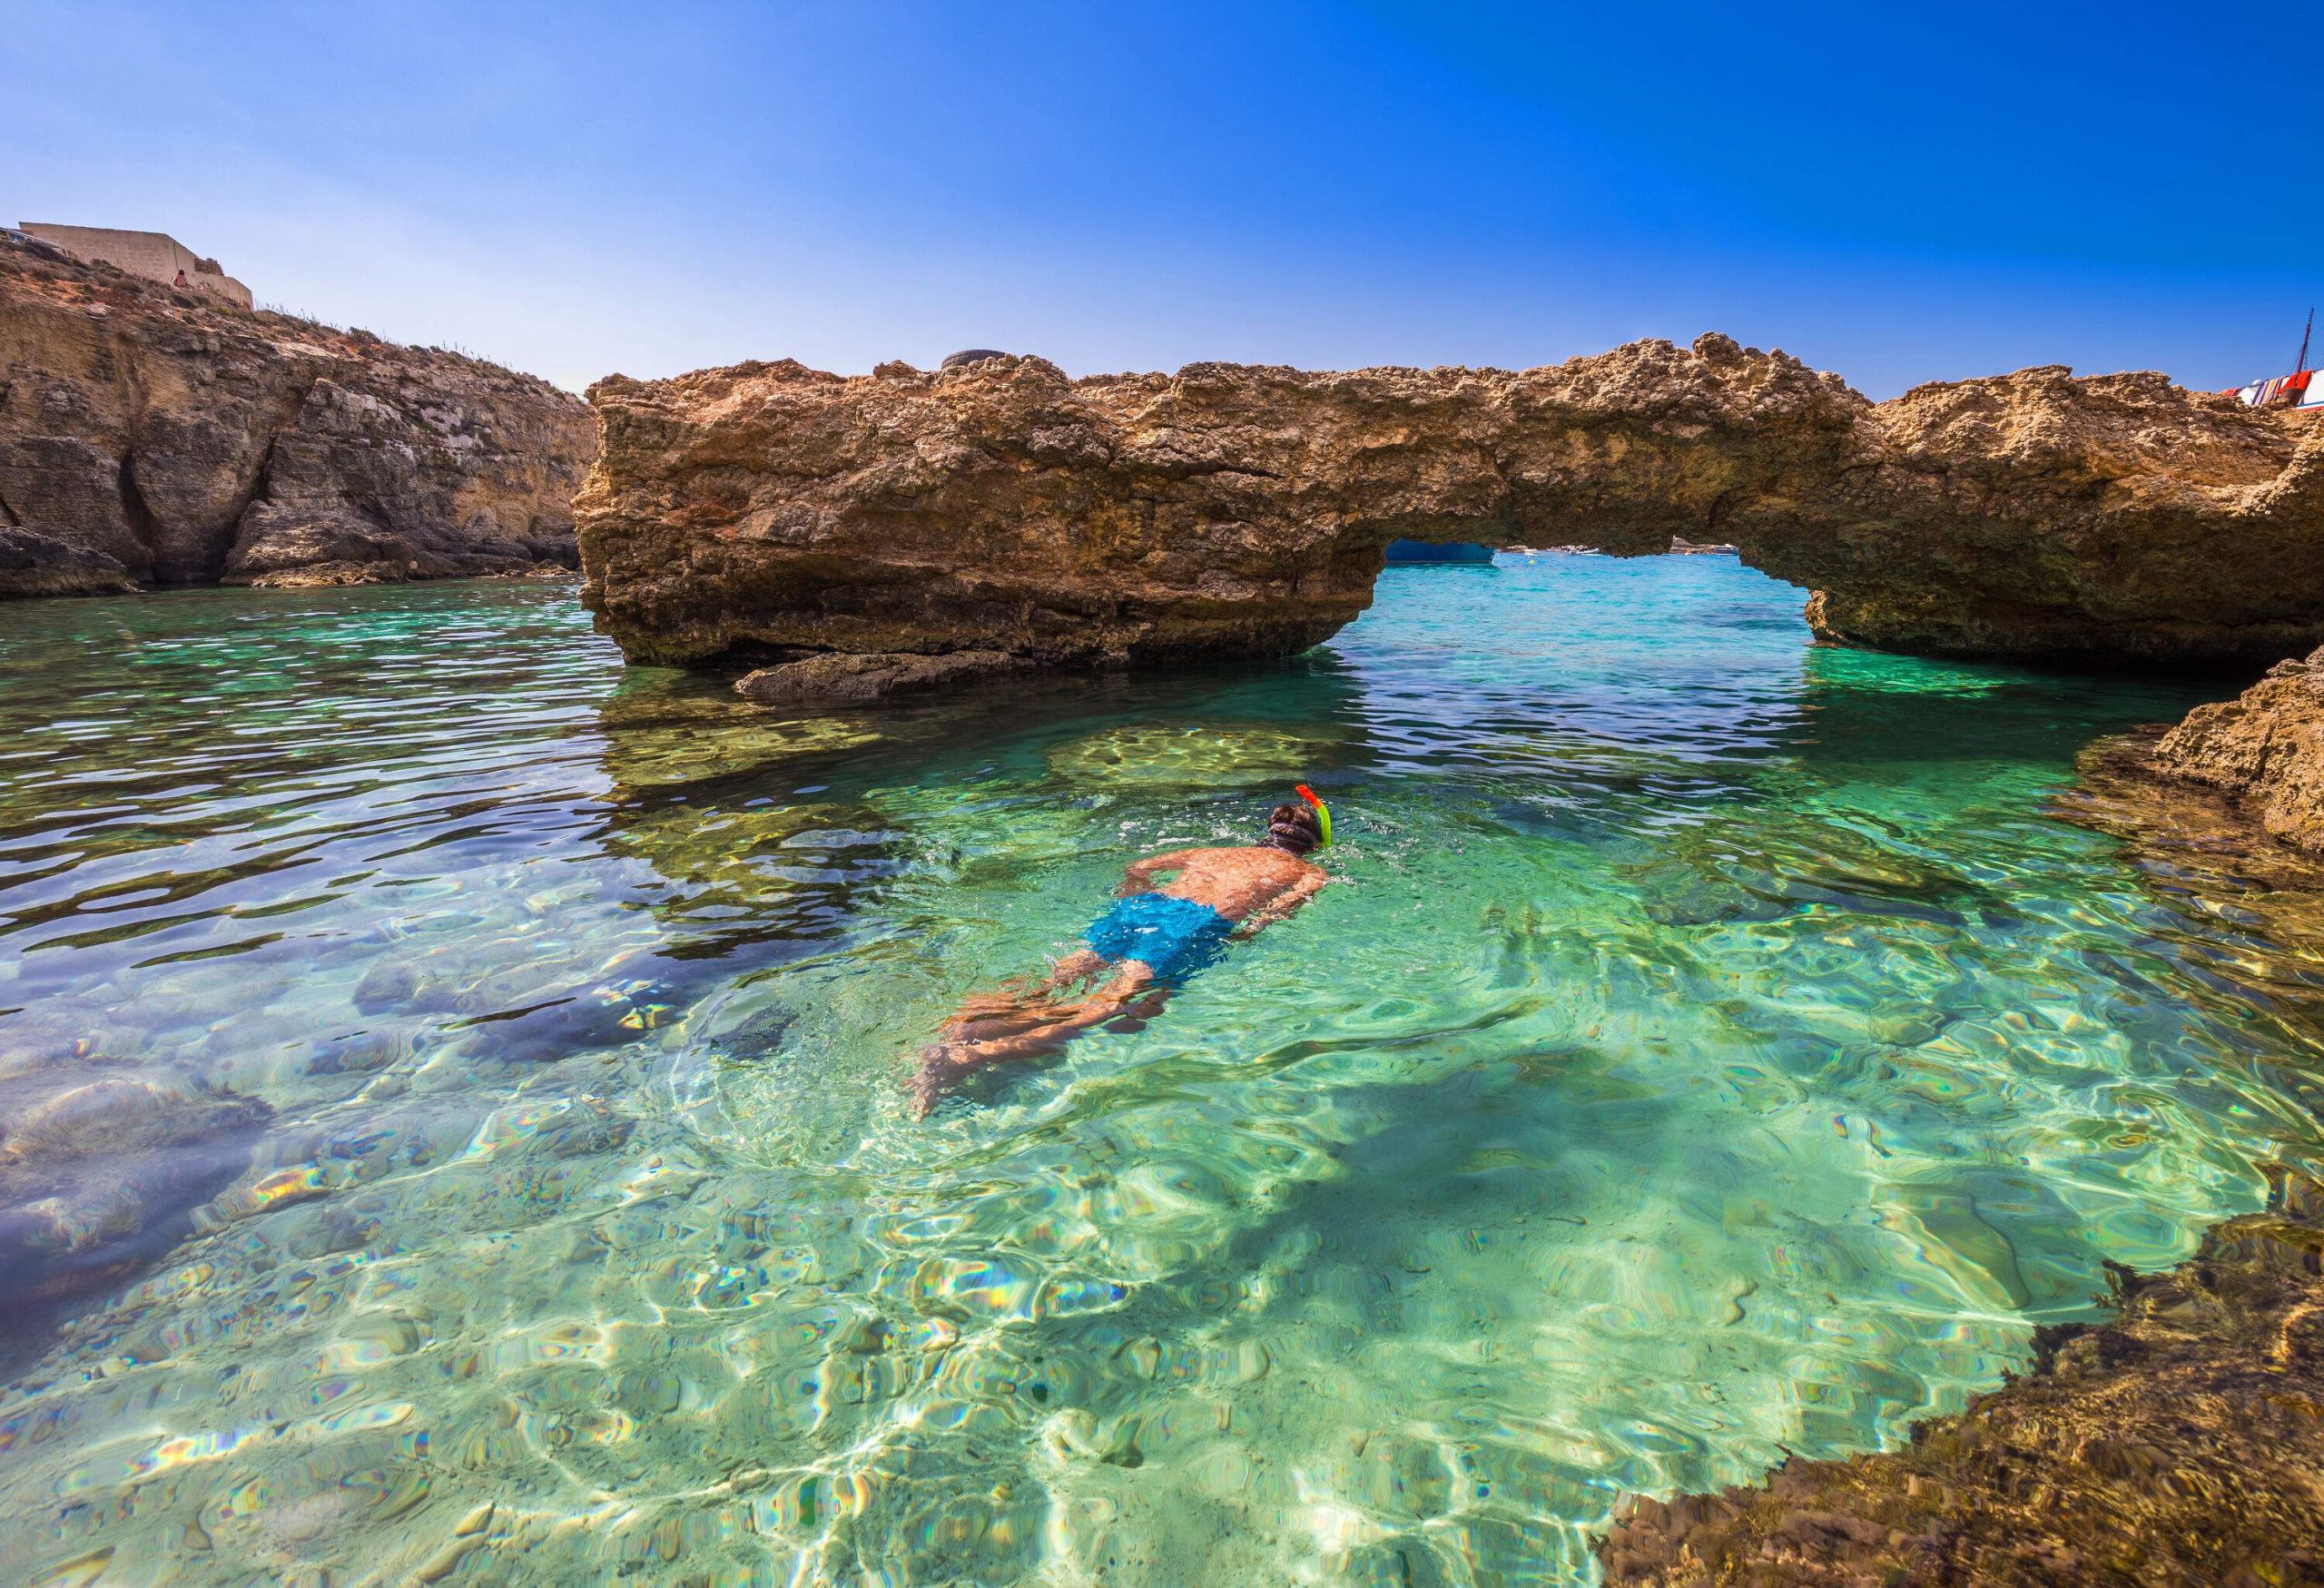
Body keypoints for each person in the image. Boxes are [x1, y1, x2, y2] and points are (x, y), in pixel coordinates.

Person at [908, 791, 1334, 1113]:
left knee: (1057, 977)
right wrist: (1241, 937)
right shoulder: (1310, 872)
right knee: (1104, 1006)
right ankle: (968, 1057)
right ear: (1312, 845)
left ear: (1269, 832)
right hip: (1192, 925)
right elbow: (1271, 917)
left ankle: (956, 1029)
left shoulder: (1214, 850)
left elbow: (1140, 868)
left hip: (1142, 908)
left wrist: (1133, 898)